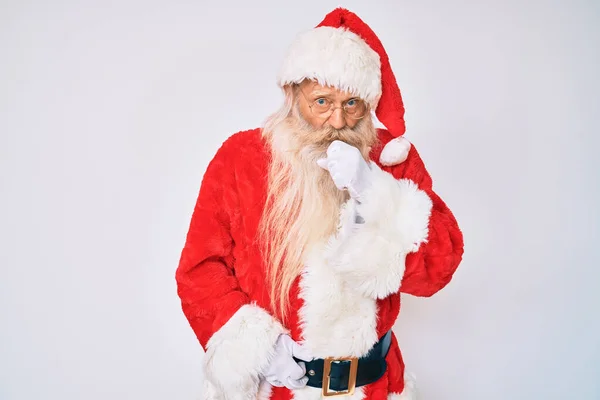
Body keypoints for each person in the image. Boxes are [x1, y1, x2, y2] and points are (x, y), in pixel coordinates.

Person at [176, 7, 464, 400]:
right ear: (294, 95)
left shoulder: (390, 161)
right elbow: (199, 271)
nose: (337, 122)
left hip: (374, 388)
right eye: (322, 102)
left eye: (352, 104)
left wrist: (374, 191)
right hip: (276, 390)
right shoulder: (240, 157)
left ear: (369, 104)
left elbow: (438, 269)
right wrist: (256, 348)